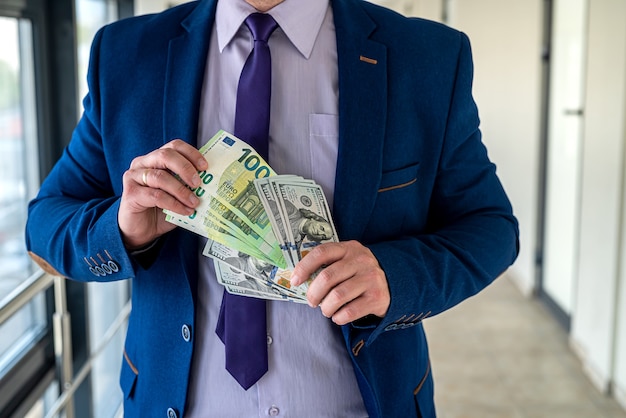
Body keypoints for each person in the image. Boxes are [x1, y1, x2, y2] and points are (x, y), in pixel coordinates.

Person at [25, 0, 519, 416]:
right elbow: (45, 230)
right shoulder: (127, 54)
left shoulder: (427, 57)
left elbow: (491, 228)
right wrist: (123, 229)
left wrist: (396, 276)